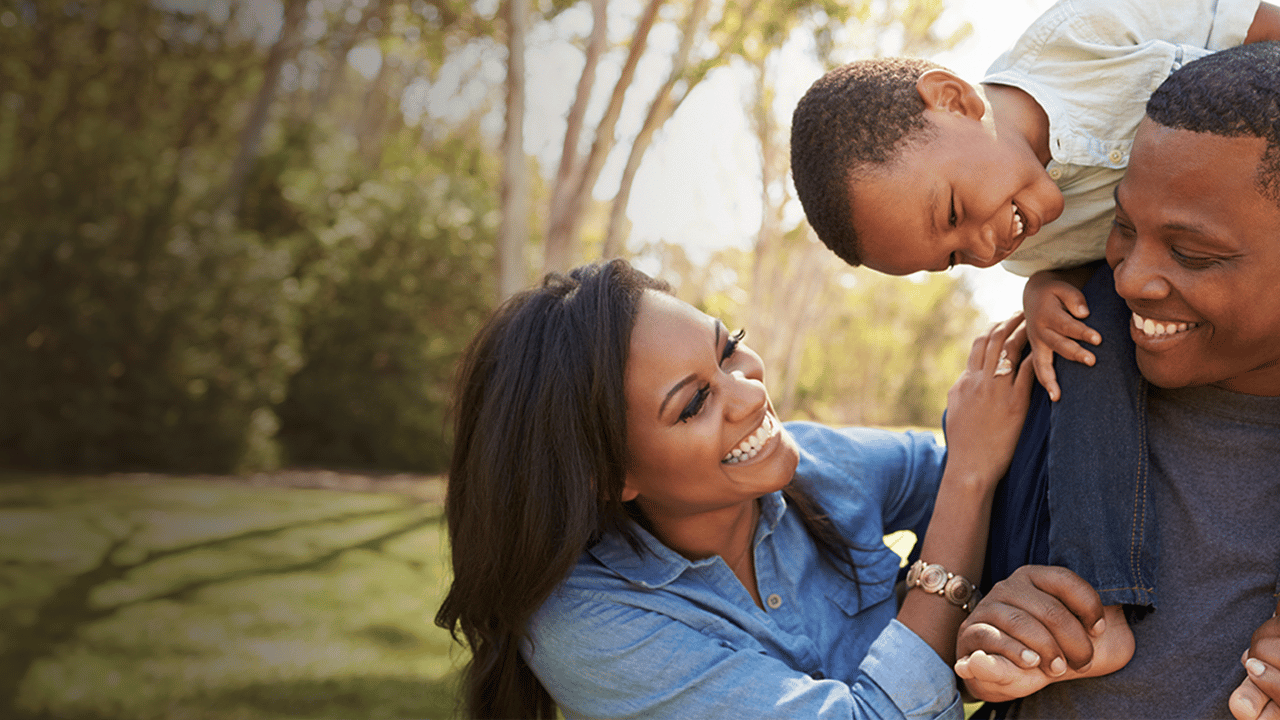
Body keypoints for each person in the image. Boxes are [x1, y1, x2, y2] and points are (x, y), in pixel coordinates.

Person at [433, 258, 1035, 719]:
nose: (750, 394)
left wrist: (1048, 303)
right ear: (608, 476)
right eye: (695, 402)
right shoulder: (586, 626)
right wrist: (967, 486)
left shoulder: (815, 465)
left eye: (728, 350)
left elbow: (1011, 471)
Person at [947, 41, 1280, 719]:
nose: (1129, 279)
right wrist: (986, 640)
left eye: (1193, 253)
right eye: (1123, 227)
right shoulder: (1043, 391)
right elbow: (916, 642)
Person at [790, 0, 1280, 402]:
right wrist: (1043, 288)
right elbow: (1109, 265)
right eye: (955, 258)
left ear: (954, 100)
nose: (985, 252)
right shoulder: (1032, 249)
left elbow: (1260, 27)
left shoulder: (1088, 33)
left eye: (954, 213)